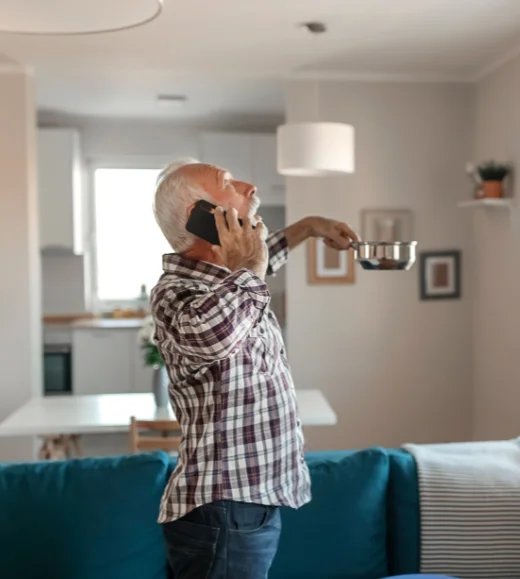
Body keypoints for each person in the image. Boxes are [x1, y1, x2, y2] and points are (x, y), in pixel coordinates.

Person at [151, 159, 359, 579]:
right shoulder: (178, 291)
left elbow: (255, 269)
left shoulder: (229, 282)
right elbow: (215, 333)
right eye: (228, 184)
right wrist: (249, 268)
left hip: (243, 505)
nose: (250, 186)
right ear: (202, 219)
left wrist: (309, 227)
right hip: (223, 510)